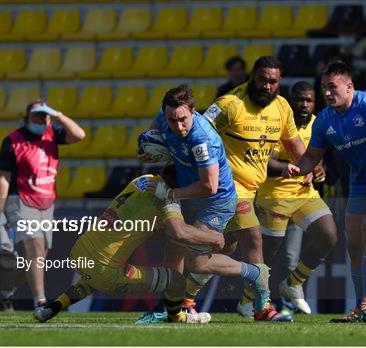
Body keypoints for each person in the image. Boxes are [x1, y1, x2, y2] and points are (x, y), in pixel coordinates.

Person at [282, 60, 366, 323]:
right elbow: (312, 155)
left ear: (349, 87)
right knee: (354, 244)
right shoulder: (324, 120)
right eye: (324, 88)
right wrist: (297, 168)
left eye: (333, 87)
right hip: (360, 183)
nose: (328, 93)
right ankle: (362, 306)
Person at [145, 85, 289, 322]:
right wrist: (149, 148)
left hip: (216, 200)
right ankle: (169, 307)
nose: (178, 126)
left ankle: (253, 273)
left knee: (198, 262)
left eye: (183, 120)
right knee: (174, 249)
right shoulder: (165, 118)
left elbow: (208, 186)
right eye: (172, 120)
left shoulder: (203, 140)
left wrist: (170, 194)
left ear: (193, 112)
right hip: (187, 192)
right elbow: (153, 129)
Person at [182, 56, 306, 319]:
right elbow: (198, 130)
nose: (267, 86)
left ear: (279, 82)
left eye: (273, 81)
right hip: (228, 188)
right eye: (262, 79)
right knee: (254, 239)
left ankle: (184, 299)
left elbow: (294, 143)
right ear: (252, 77)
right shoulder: (230, 104)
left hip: (252, 189)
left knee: (222, 249)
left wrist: (311, 166)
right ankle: (261, 306)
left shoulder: (282, 107)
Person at [32, 174, 220, 324]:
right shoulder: (167, 199)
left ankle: (52, 308)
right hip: (105, 268)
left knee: (91, 280)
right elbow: (179, 232)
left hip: (79, 251)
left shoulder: (143, 179)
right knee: (177, 281)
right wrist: (214, 237)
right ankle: (177, 317)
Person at [0, 100, 85, 310]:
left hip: (46, 202)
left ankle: (6, 290)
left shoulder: (52, 134)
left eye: (45, 116)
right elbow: (4, 178)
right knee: (35, 248)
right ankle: (40, 302)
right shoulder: (13, 141)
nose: (42, 120)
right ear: (27, 117)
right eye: (37, 115)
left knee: (38, 257)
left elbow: (79, 135)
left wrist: (58, 114)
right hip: (21, 200)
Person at [255, 81, 338, 315]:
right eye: (299, 100)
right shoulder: (278, 123)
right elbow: (265, 162)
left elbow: (318, 160)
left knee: (328, 236)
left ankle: (292, 287)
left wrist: (320, 171)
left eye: (309, 100)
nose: (304, 105)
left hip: (304, 195)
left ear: (314, 103)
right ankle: (250, 299)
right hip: (275, 196)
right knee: (270, 255)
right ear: (291, 102)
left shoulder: (318, 124)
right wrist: (292, 167)